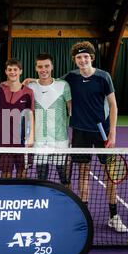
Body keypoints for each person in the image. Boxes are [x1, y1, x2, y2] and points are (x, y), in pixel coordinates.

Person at [63, 41, 128, 233]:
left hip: (102, 132)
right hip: (80, 132)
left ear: (91, 57)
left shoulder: (103, 77)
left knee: (110, 176)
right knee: (83, 174)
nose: (82, 60)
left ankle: (113, 216)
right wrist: (30, 81)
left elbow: (113, 106)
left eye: (85, 56)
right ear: (74, 60)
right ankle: (84, 216)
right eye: (78, 57)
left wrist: (113, 132)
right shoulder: (71, 77)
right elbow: (50, 83)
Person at [27, 54, 72, 187]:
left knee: (64, 178)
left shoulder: (63, 85)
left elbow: (71, 110)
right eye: (40, 66)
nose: (43, 69)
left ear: (52, 66)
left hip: (60, 140)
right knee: (41, 178)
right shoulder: (30, 86)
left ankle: (66, 204)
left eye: (46, 66)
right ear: (36, 68)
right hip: (39, 141)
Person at [0, 58, 35, 178]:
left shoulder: (29, 92)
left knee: (22, 174)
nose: (12, 72)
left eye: (15, 69)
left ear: (20, 71)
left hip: (22, 141)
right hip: (5, 140)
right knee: (5, 174)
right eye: (10, 70)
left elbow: (31, 115)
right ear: (6, 72)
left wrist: (31, 138)